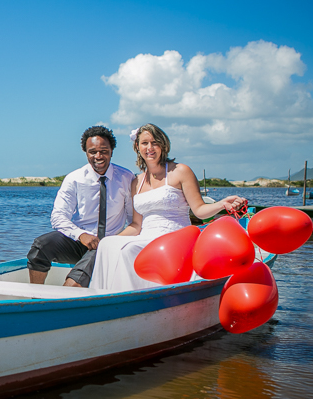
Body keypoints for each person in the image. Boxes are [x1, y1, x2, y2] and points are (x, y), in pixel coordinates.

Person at [89, 123, 246, 292]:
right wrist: (113, 239)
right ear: (137, 146)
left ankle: (134, 299)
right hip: (146, 236)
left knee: (128, 251)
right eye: (145, 143)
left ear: (163, 145)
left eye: (155, 142)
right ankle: (104, 298)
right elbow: (136, 225)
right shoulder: (137, 182)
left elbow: (199, 210)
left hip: (175, 236)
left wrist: (222, 204)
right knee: (108, 245)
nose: (150, 148)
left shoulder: (180, 171)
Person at [26, 126, 135, 287]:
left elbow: (133, 218)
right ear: (85, 152)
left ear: (112, 151)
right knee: (39, 247)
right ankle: (35, 298)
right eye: (92, 152)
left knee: (73, 284)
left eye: (104, 151)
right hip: (79, 241)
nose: (98, 156)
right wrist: (81, 235)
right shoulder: (74, 179)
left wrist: (119, 243)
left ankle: (62, 304)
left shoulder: (126, 177)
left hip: (108, 243)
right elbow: (58, 217)